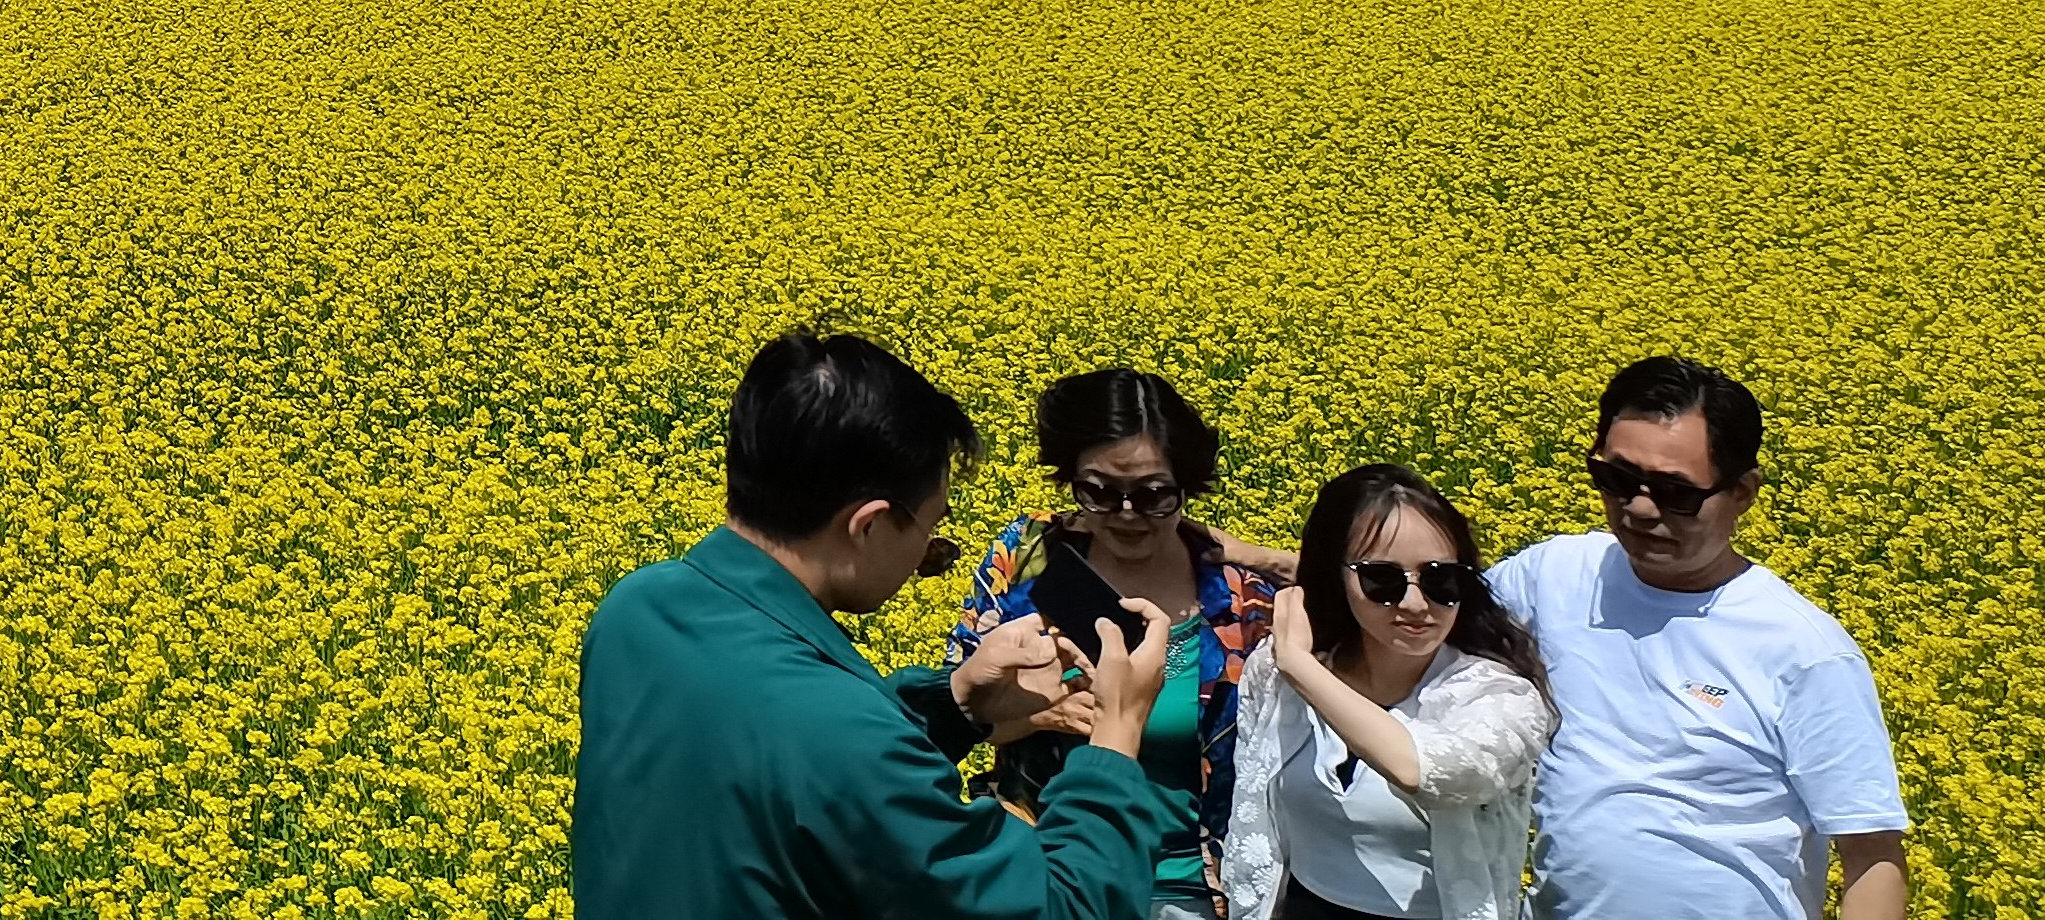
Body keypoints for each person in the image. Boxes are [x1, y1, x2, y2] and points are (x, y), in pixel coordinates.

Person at [575, 327, 1176, 919]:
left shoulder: (634, 610)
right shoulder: (840, 735)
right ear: (869, 525)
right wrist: (1117, 736)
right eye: (930, 531)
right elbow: (1064, 908)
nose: (925, 555)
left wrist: (958, 702)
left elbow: (783, 776)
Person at [1490, 358, 1908, 920]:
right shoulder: (1552, 577)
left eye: (1675, 493)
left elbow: (1872, 857)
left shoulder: (1803, 650)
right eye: (1616, 479)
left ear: (1743, 493)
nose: (1639, 508)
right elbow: (1415, 629)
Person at [949, 369, 1293, 920]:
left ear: (1187, 486)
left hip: (1188, 887)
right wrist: (1044, 715)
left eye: (1154, 494)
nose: (1127, 514)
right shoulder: (1029, 558)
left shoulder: (1237, 598)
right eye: (1099, 492)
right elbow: (954, 710)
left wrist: (1273, 560)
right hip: (1042, 869)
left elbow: (1392, 603)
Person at [1223, 465, 1555, 920]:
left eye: (1441, 580)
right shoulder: (1276, 671)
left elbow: (1423, 770)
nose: (1416, 605)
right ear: (1335, 578)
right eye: (1383, 580)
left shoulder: (1500, 698)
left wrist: (1300, 665)